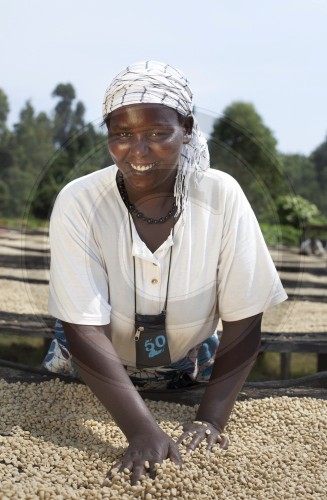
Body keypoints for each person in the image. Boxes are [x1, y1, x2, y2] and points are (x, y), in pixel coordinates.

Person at [44, 61, 287, 484]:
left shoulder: (221, 196)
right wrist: (141, 429)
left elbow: (245, 318)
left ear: (187, 128)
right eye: (122, 135)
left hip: (189, 365)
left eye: (157, 134)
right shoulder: (79, 201)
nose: (138, 151)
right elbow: (82, 328)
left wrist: (210, 420)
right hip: (86, 371)